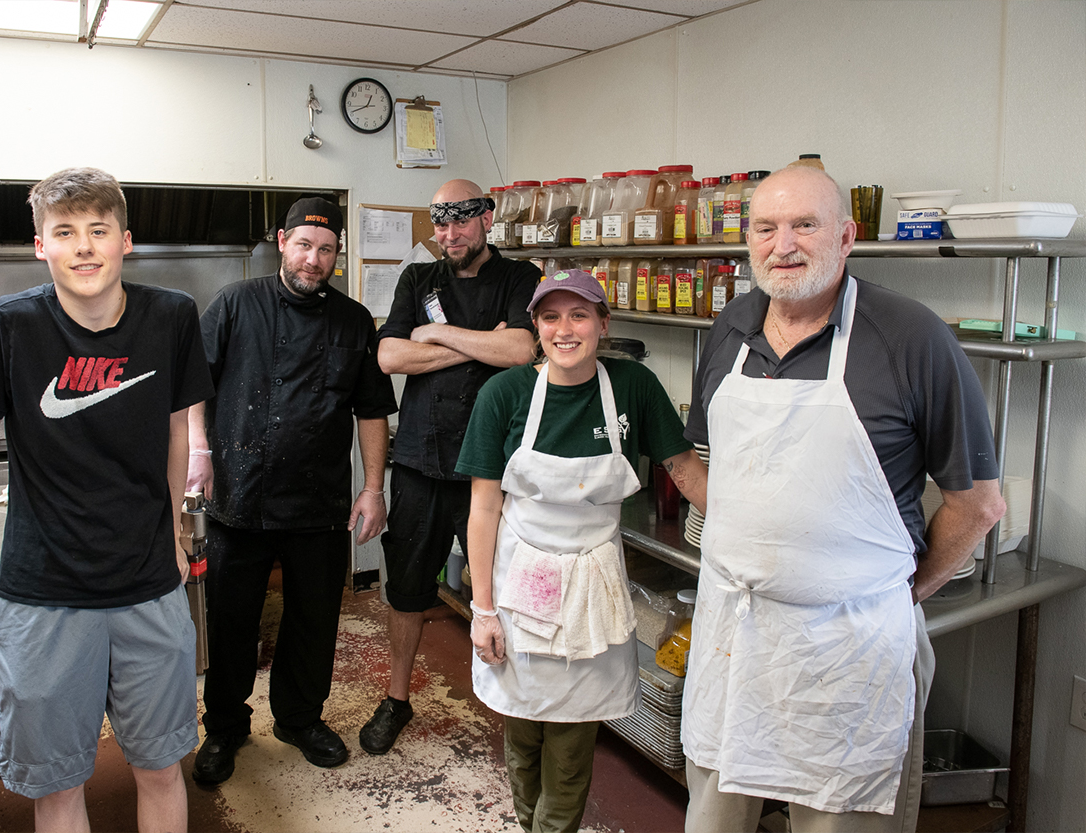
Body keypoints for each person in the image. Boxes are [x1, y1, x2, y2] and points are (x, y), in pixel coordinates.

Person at [680, 166, 1007, 832]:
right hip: (733, 640)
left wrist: (895, 591)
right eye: (766, 228)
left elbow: (978, 505)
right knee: (712, 816)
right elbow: (728, 467)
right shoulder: (731, 327)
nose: (784, 244)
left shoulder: (912, 337)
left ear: (847, 236)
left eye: (805, 224)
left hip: (846, 655)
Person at [0, 167, 212, 833]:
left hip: (147, 586)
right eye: (65, 232)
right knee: (57, 783)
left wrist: (174, 534)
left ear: (126, 242)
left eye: (98, 230)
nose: (84, 246)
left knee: (161, 767)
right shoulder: (10, 325)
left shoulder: (170, 317)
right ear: (41, 247)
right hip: (43, 592)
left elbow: (176, 431)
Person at [455, 269, 708, 833]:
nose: (564, 330)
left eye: (579, 316)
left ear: (603, 323)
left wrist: (754, 538)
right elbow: (484, 509)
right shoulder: (505, 394)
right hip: (521, 579)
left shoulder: (634, 387)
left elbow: (686, 471)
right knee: (521, 724)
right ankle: (531, 824)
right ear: (536, 326)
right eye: (551, 317)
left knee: (571, 738)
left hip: (593, 580)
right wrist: (484, 610)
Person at [188, 197, 396, 781]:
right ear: (282, 242)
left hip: (319, 503)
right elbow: (193, 388)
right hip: (240, 500)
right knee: (232, 624)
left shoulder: (355, 321)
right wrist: (198, 452)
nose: (314, 259)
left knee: (313, 621)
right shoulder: (235, 304)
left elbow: (372, 411)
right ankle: (225, 728)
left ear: (337, 256)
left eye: (326, 250)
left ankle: (299, 718)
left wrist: (373, 487)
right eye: (304, 245)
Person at [360, 179, 540, 755]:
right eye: (440, 224)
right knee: (408, 590)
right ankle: (396, 698)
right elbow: (389, 355)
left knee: (502, 592)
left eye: (460, 222)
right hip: (418, 460)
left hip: (493, 468)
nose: (449, 234)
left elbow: (520, 350)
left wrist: (434, 334)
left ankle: (517, 708)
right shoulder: (419, 278)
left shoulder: (520, 278)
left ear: (486, 218)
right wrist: (477, 342)